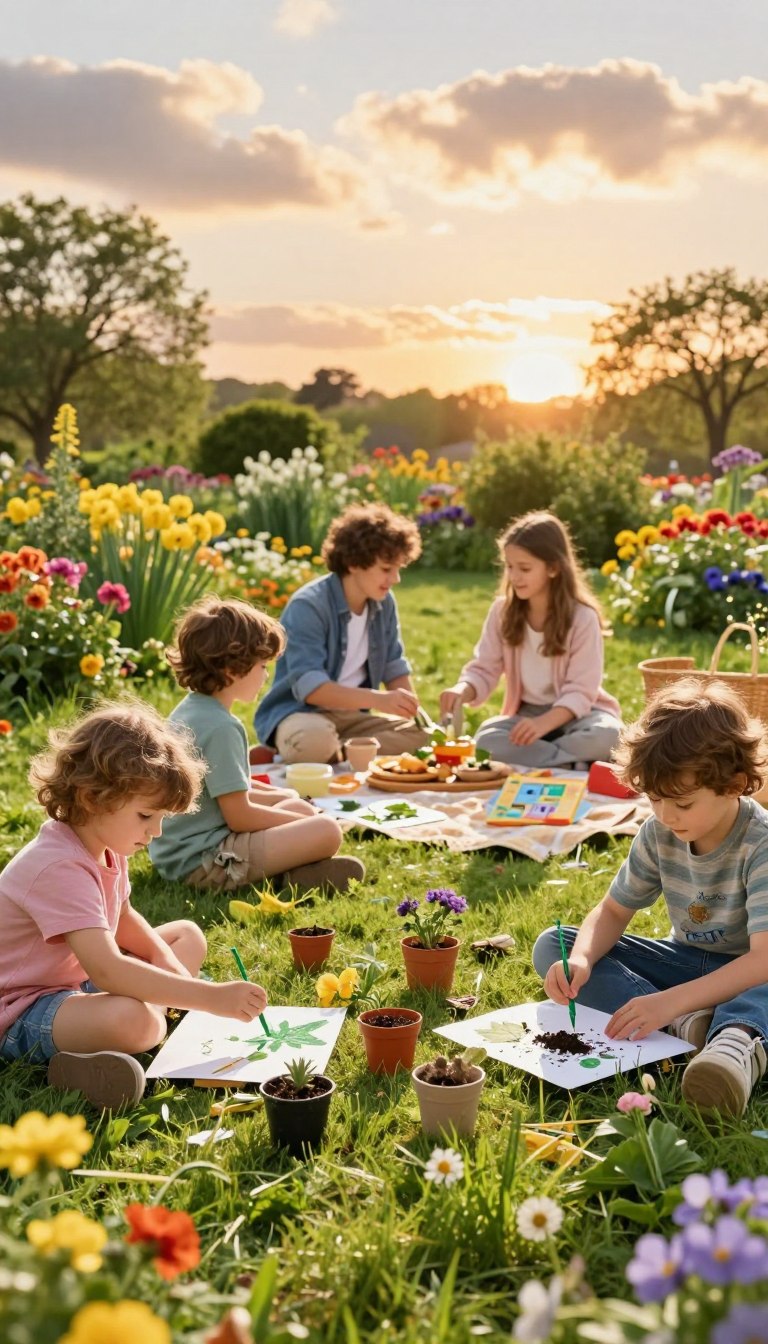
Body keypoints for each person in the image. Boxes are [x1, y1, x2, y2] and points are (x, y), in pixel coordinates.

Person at [0, 702, 268, 1111]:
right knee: (136, 1021)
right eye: (146, 815)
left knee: (185, 937)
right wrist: (208, 997)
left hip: (72, 982)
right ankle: (87, 1057)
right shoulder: (57, 865)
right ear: (93, 799)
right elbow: (107, 968)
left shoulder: (105, 843)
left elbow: (123, 919)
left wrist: (176, 977)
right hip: (20, 1008)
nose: (156, 831)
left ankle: (136, 1023)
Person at [532, 680, 768, 1117]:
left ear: (735, 784)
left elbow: (762, 961)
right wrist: (581, 958)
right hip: (686, 963)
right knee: (555, 945)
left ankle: (731, 1046)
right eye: (655, 799)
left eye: (681, 802)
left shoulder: (761, 844)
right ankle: (687, 1025)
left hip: (753, 973)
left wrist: (669, 999)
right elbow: (613, 910)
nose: (664, 814)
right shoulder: (659, 831)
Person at [150, 596, 364, 893]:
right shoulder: (222, 727)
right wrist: (306, 819)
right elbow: (240, 816)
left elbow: (231, 788)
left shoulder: (192, 710)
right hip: (205, 861)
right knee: (327, 831)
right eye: (262, 665)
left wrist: (289, 801)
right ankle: (287, 874)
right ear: (232, 670)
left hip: (178, 854)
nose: (266, 675)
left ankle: (291, 876)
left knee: (295, 805)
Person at [439, 511, 621, 768]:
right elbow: (484, 668)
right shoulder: (502, 612)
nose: (514, 577)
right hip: (527, 716)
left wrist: (543, 725)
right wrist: (462, 690)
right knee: (486, 740)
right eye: (510, 566)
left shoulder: (582, 617)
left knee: (610, 735)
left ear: (554, 568)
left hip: (579, 715)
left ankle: (544, 760)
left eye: (524, 568)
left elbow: (582, 691)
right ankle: (573, 763)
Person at [255, 503, 431, 764]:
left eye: (398, 568)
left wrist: (414, 713)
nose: (395, 579)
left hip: (352, 718)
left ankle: (337, 753)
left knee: (426, 737)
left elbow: (394, 666)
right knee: (314, 741)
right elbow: (311, 688)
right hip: (302, 714)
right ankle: (315, 749)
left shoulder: (384, 603)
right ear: (353, 563)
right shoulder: (309, 605)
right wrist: (380, 700)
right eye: (386, 569)